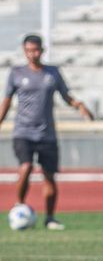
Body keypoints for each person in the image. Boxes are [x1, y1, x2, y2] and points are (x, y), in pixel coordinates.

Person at [0, 34, 94, 230]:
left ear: (42, 51)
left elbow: (65, 95)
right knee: (25, 166)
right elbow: (7, 102)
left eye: (35, 50)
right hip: (23, 131)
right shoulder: (17, 73)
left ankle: (50, 217)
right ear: (24, 52)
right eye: (28, 51)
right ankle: (20, 204)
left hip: (47, 134)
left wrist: (79, 105)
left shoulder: (52, 73)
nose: (32, 54)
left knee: (49, 176)